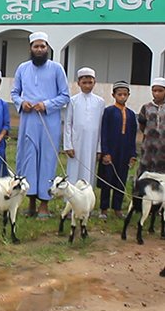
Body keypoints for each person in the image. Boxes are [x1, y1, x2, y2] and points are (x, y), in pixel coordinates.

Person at [11, 32, 69, 218]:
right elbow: (14, 93)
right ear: (30, 48)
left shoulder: (56, 68)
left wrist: (46, 105)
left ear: (47, 48)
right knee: (28, 160)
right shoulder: (22, 68)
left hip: (49, 122)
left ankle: (44, 205)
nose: (39, 49)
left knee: (47, 161)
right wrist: (22, 103)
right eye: (36, 46)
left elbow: (65, 96)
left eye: (42, 46)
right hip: (29, 122)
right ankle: (30, 203)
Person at [97, 80, 137, 220]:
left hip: (124, 152)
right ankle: (104, 209)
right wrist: (105, 152)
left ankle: (117, 208)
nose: (122, 97)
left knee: (121, 180)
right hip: (111, 150)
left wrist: (133, 154)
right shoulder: (109, 111)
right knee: (107, 179)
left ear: (128, 95)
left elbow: (133, 135)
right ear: (113, 95)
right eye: (119, 94)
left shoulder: (131, 114)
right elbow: (104, 132)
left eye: (125, 94)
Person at [63, 67, 105, 186]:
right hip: (76, 143)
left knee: (89, 171)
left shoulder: (100, 102)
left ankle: (86, 194)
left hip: (92, 143)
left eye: (90, 82)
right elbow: (68, 123)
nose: (87, 86)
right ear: (78, 83)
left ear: (94, 83)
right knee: (74, 171)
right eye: (84, 82)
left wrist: (99, 149)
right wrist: (68, 145)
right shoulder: (73, 101)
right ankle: (72, 195)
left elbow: (101, 127)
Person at [137, 77, 165, 175]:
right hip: (148, 148)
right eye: (154, 90)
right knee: (146, 174)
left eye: (160, 91)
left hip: (163, 148)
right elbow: (142, 125)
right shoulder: (146, 107)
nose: (157, 93)